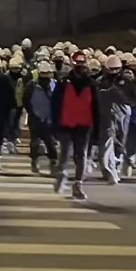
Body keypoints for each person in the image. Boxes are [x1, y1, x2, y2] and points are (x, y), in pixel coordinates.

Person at [52, 51, 99, 200]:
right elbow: (55, 104)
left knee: (81, 155)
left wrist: (96, 129)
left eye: (82, 63)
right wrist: (55, 123)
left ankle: (78, 185)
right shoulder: (63, 82)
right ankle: (62, 175)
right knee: (65, 153)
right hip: (66, 123)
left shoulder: (92, 84)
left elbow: (96, 107)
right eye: (77, 63)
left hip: (84, 125)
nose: (80, 66)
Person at [96, 54, 135, 185]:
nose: (113, 72)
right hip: (107, 114)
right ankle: (110, 170)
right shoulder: (101, 81)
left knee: (120, 141)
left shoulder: (125, 78)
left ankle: (116, 163)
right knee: (107, 140)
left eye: (116, 69)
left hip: (123, 113)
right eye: (111, 69)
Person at [23, 60, 58, 174]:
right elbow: (25, 100)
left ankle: (53, 162)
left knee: (51, 143)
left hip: (50, 118)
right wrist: (32, 112)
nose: (45, 77)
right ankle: (34, 161)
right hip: (35, 118)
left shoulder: (55, 84)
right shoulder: (32, 85)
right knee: (35, 143)